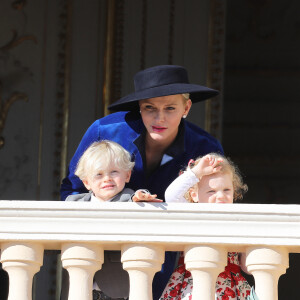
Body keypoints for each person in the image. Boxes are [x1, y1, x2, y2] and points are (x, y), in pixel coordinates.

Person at [60, 64, 224, 299]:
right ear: (139, 107)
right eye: (150, 108)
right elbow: (72, 188)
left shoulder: (205, 148)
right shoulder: (104, 131)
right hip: (96, 253)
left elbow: (215, 205)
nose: (160, 118)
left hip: (170, 258)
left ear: (186, 107)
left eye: (170, 108)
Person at [61, 140, 160, 300]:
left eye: (114, 172)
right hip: (79, 287)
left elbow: (137, 197)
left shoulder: (129, 199)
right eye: (99, 174)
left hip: (117, 289)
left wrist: (141, 198)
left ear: (127, 175)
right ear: (86, 182)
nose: (107, 179)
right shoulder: (73, 203)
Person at [160, 153, 253, 300]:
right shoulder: (193, 217)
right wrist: (196, 173)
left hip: (231, 287)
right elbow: (171, 196)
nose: (221, 196)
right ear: (195, 195)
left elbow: (247, 267)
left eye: (227, 190)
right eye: (211, 191)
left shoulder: (237, 222)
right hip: (193, 285)